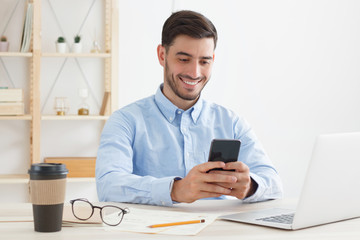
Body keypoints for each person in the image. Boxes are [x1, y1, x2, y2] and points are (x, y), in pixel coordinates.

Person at [96, 10, 283, 206]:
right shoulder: (125, 121)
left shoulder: (231, 122)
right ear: (162, 55)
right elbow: (108, 185)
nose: (194, 72)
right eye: (184, 59)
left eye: (204, 61)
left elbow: (274, 183)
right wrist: (175, 190)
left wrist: (251, 186)